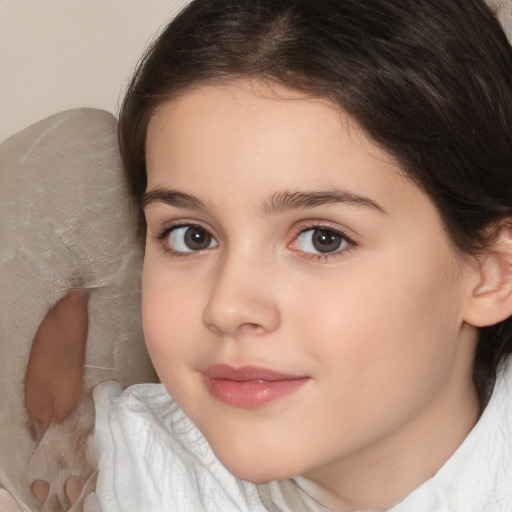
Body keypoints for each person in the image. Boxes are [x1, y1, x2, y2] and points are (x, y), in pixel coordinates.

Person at [91, 0, 512, 510]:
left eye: (322, 239)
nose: (227, 308)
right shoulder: (109, 466)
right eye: (190, 236)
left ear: (493, 274)